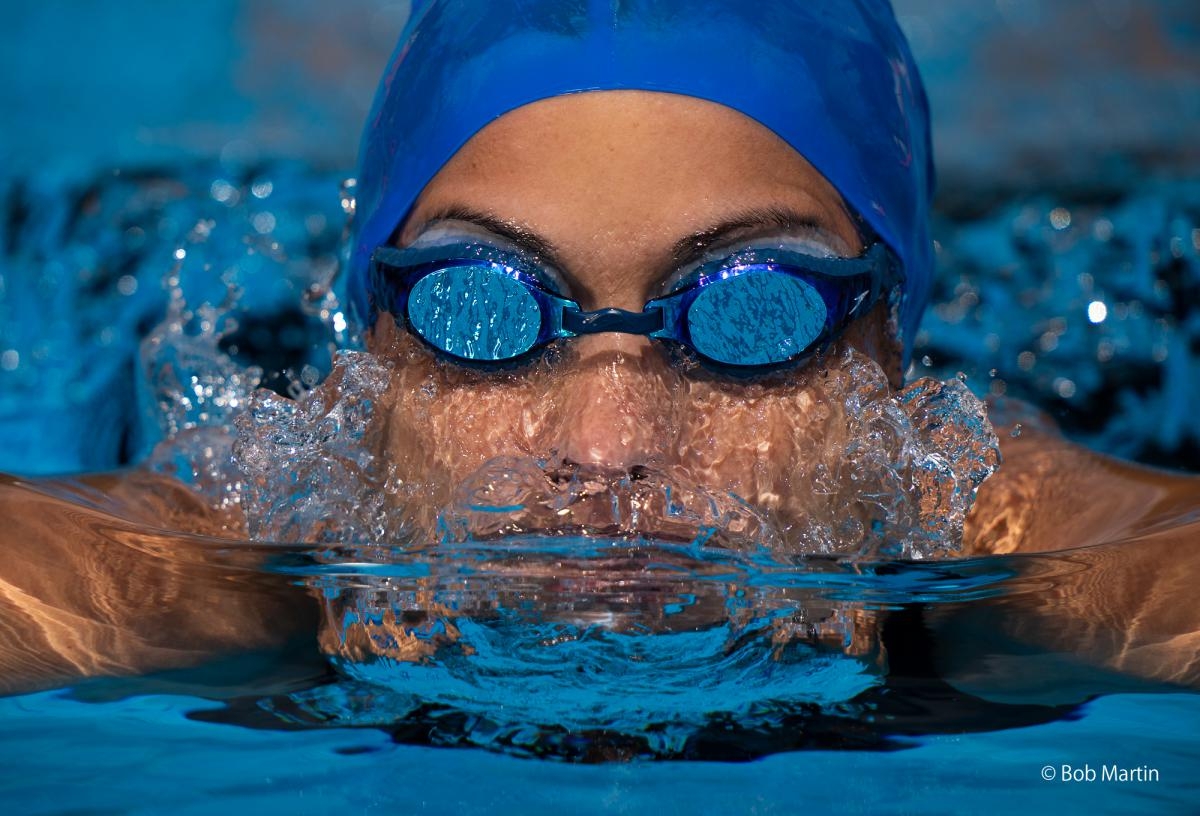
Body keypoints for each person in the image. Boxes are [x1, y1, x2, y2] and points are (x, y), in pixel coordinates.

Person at [0, 0, 1197, 698]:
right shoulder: (260, 515)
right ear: (371, 346)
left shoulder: (985, 509)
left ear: (890, 351)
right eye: (485, 312)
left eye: (754, 313)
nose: (606, 449)